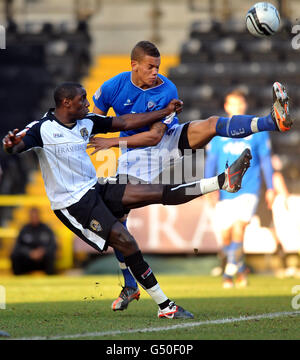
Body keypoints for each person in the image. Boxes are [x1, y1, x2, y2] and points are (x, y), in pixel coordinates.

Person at [2, 82, 253, 319]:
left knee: (154, 191)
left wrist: (163, 112)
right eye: (82, 100)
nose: (89, 104)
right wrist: (11, 145)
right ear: (66, 102)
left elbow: (123, 121)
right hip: (73, 204)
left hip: (94, 188)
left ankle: (222, 182)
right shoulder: (41, 128)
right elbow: (16, 145)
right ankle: (165, 306)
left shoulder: (86, 121)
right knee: (125, 240)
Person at [90, 40, 291, 309]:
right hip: (134, 157)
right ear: (133, 65)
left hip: (160, 140)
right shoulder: (113, 86)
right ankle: (130, 284)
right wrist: (92, 139)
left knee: (210, 124)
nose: (155, 72)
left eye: (158, 67)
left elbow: (154, 136)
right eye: (150, 67)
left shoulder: (167, 89)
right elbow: (95, 120)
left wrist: (110, 142)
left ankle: (271, 121)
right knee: (117, 217)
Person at [205, 89, 276, 288]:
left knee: (239, 227)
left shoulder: (256, 130)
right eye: (232, 104)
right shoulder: (218, 132)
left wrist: (270, 188)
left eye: (239, 104)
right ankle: (240, 267)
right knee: (226, 234)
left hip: (249, 188)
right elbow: (211, 161)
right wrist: (208, 187)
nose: (236, 108)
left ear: (244, 105)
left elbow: (266, 160)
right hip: (224, 190)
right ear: (227, 107)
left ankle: (228, 273)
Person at [10, 207, 57, 275]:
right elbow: (18, 246)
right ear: (29, 217)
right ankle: (18, 278)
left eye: (36, 216)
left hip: (42, 260)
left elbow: (53, 245)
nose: (34, 218)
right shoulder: (24, 229)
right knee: (15, 255)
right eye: (32, 216)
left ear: (39, 216)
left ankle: (50, 278)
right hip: (27, 259)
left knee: (51, 255)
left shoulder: (47, 229)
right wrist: (29, 253)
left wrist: (43, 251)